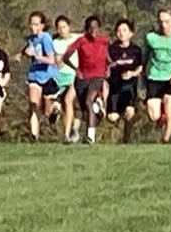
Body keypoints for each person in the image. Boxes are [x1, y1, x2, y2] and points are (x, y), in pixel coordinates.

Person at [62, 16, 112, 144]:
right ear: (86, 29)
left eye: (96, 27)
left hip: (98, 77)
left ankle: (91, 136)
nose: (93, 30)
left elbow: (108, 57)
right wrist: (76, 69)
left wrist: (108, 67)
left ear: (99, 28)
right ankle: (98, 110)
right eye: (90, 27)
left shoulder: (104, 40)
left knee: (89, 101)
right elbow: (65, 57)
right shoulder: (81, 41)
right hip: (83, 78)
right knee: (85, 109)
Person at [144, 9, 171, 144]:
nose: (163, 25)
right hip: (154, 78)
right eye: (161, 22)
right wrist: (142, 71)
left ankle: (166, 140)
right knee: (153, 116)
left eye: (167, 22)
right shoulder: (151, 38)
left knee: (170, 112)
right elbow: (145, 56)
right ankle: (160, 115)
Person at [21, 11, 59, 143]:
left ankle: (54, 109)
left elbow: (51, 60)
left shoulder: (46, 39)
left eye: (36, 24)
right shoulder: (31, 39)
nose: (33, 27)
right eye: (31, 24)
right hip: (34, 75)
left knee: (46, 111)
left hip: (48, 76)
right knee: (33, 104)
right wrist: (22, 54)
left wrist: (36, 56)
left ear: (42, 26)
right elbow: (27, 50)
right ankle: (34, 135)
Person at [106, 19, 144, 143]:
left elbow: (140, 67)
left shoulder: (136, 50)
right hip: (115, 88)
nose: (121, 33)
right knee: (112, 117)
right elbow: (106, 66)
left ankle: (126, 140)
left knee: (130, 112)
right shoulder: (112, 49)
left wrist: (132, 73)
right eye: (118, 31)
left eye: (124, 30)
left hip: (130, 87)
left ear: (131, 33)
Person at [50, 16, 82, 142]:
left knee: (70, 101)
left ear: (69, 26)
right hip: (60, 76)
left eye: (64, 27)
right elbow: (57, 63)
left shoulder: (78, 38)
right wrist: (62, 58)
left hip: (75, 76)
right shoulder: (55, 43)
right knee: (65, 105)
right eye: (59, 28)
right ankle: (69, 131)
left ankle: (69, 132)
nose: (62, 30)